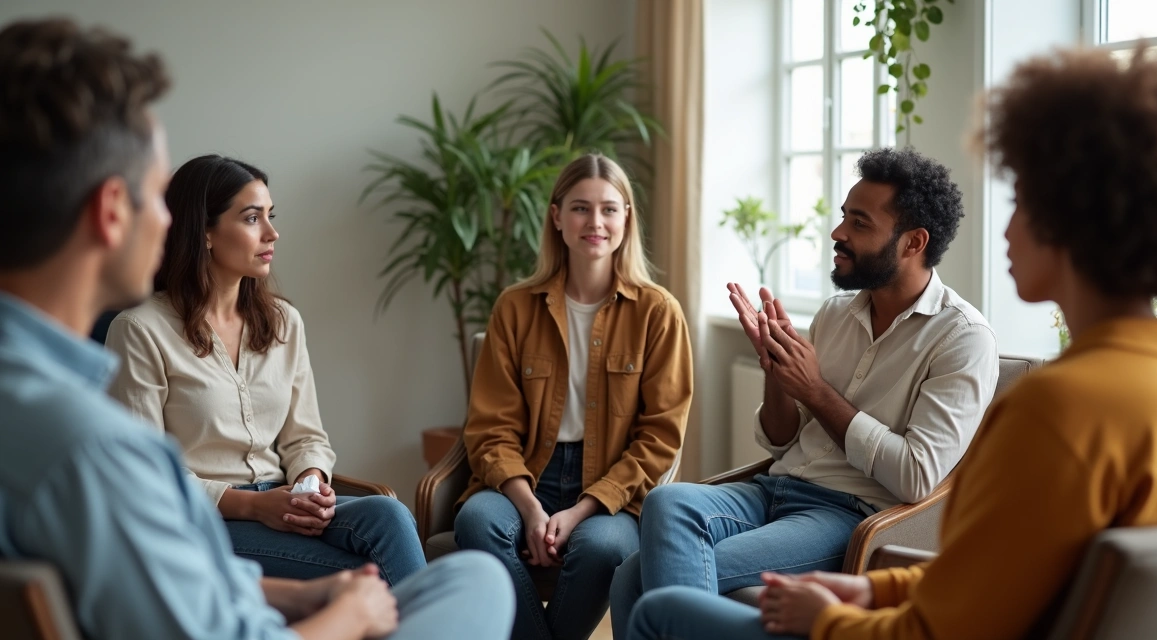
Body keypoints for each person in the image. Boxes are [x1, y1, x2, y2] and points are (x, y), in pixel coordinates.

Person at [626, 44, 1157, 640]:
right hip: (813, 513)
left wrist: (828, 621)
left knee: (655, 605)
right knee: (649, 568)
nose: (1006, 228)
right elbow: (1003, 574)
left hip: (863, 564)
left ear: (1073, 225)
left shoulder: (1056, 408)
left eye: (1023, 203)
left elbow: (944, 624)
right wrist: (874, 587)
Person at [0, 17, 512, 640]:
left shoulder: (37, 408)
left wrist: (306, 570)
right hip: (236, 538)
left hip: (260, 545)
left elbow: (187, 577)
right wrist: (345, 618)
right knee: (472, 587)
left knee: (463, 571)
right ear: (111, 211)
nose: (164, 221)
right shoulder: (98, 446)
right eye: (156, 196)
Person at [610, 147, 1000, 634]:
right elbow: (779, 439)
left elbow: (917, 477)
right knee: (666, 501)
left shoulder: (962, 339)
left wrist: (816, 392)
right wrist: (776, 372)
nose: (838, 233)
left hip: (847, 514)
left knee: (632, 578)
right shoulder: (835, 314)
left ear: (912, 242)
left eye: (859, 223)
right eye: (843, 218)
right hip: (772, 488)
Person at [106, 153, 426, 585]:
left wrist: (309, 486)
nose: (273, 233)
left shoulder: (282, 322)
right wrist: (253, 506)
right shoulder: (140, 329)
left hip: (283, 498)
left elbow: (306, 437)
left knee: (388, 514)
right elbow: (144, 475)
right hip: (204, 521)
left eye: (270, 216)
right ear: (204, 232)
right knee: (369, 573)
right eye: (252, 218)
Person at [453, 153, 694, 640]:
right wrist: (530, 508)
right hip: (524, 476)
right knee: (477, 523)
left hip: (611, 487)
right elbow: (489, 427)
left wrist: (583, 508)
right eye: (581, 208)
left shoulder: (658, 313)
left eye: (609, 208)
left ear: (626, 217)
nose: (595, 222)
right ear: (556, 217)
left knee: (603, 548)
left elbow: (661, 437)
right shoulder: (515, 307)